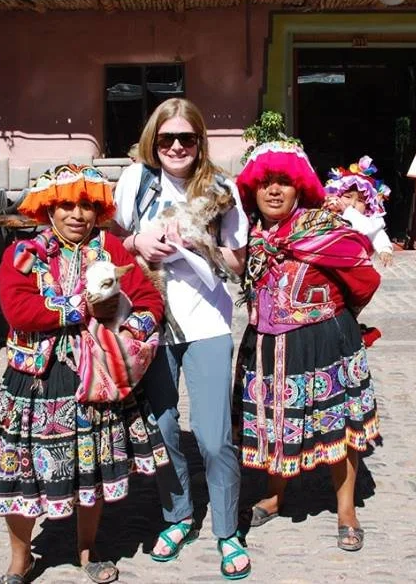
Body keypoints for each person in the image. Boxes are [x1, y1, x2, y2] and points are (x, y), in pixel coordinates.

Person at [0, 164, 170, 584]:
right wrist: (82, 308)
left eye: (86, 205)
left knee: (89, 469)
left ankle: (87, 550)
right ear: (49, 209)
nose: (77, 214)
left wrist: (131, 333)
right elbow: (18, 309)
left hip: (93, 380)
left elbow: (148, 298)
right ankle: (20, 558)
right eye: (66, 205)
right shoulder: (25, 254)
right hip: (36, 380)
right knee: (21, 473)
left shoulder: (111, 250)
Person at [112, 98, 252, 580]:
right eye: (167, 138)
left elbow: (238, 262)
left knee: (213, 439)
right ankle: (177, 516)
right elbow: (110, 240)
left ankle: (228, 530)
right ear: (154, 139)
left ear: (199, 142)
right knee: (163, 429)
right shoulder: (136, 181)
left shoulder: (219, 188)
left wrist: (198, 242)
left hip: (208, 323)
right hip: (150, 321)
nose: (175, 147)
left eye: (185, 139)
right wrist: (136, 244)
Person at [234, 142, 382, 552]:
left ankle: (347, 508)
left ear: (300, 188)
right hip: (265, 343)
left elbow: (364, 277)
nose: (274, 191)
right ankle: (276, 495)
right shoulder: (248, 234)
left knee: (338, 426)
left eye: (284, 182)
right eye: (265, 183)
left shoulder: (323, 229)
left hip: (323, 342)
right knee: (275, 422)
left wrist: (335, 316)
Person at [322, 156, 395, 267]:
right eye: (347, 196)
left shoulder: (369, 221)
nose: (352, 204)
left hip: (354, 264)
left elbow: (377, 234)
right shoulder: (327, 213)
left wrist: (385, 249)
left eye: (360, 201)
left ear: (368, 205)